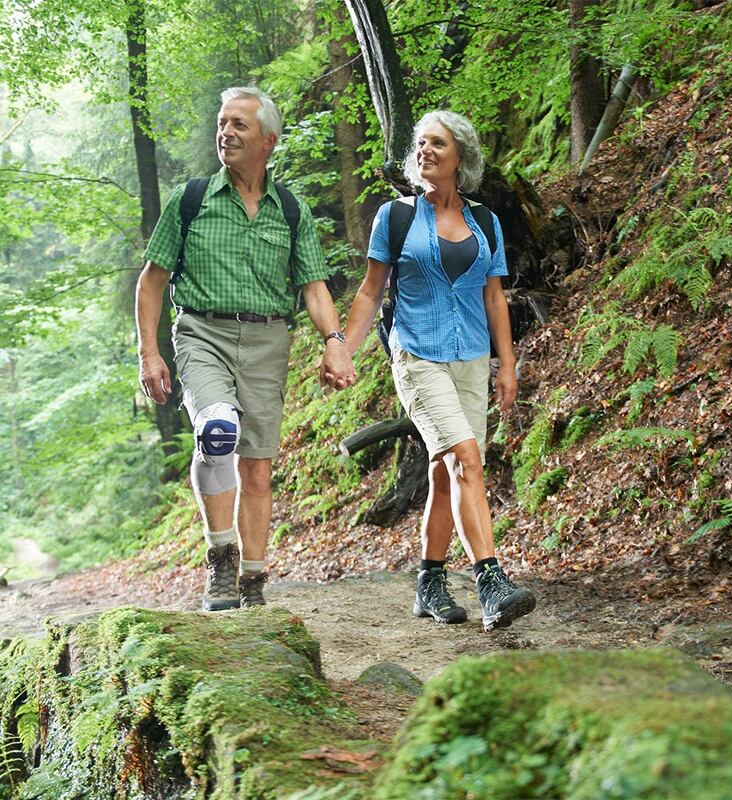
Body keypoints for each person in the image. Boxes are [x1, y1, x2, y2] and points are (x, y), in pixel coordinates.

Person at [136, 86, 354, 612]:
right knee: (216, 432)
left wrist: (335, 343)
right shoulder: (190, 201)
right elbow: (151, 281)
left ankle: (253, 583)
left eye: (239, 125)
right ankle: (221, 561)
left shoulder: (291, 211)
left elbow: (314, 287)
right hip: (201, 334)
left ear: (268, 141)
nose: (225, 133)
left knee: (256, 466)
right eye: (222, 123)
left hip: (267, 341)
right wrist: (148, 351)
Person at [339, 110, 536, 632]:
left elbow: (494, 297)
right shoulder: (396, 217)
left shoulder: (485, 222)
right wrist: (343, 348)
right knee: (466, 459)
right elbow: (369, 291)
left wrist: (506, 364)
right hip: (417, 354)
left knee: (446, 473)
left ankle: (428, 581)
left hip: (471, 357)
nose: (425, 150)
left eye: (437, 144)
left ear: (460, 158)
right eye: (420, 143)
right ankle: (491, 581)